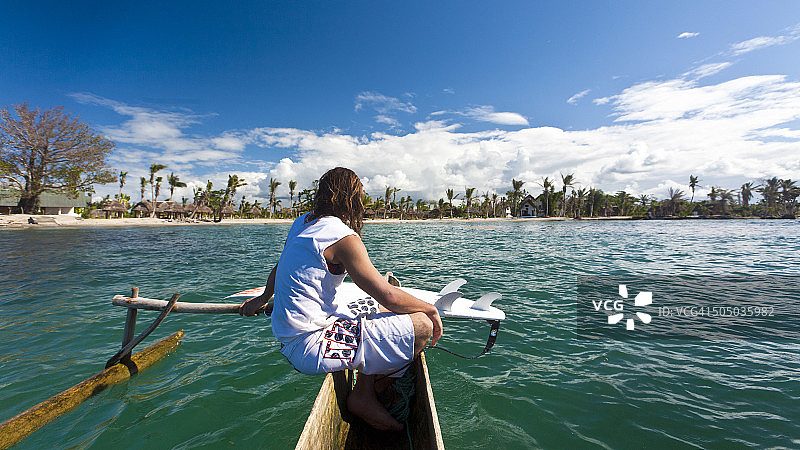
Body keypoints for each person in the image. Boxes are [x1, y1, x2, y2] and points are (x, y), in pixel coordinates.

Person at [238, 167, 443, 431]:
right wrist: (431, 310)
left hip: (287, 335)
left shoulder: (302, 222)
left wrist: (264, 298)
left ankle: (367, 387)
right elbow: (389, 294)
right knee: (422, 325)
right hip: (310, 345)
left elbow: (281, 267)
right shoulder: (342, 237)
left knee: (378, 310)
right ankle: (370, 392)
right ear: (352, 199)